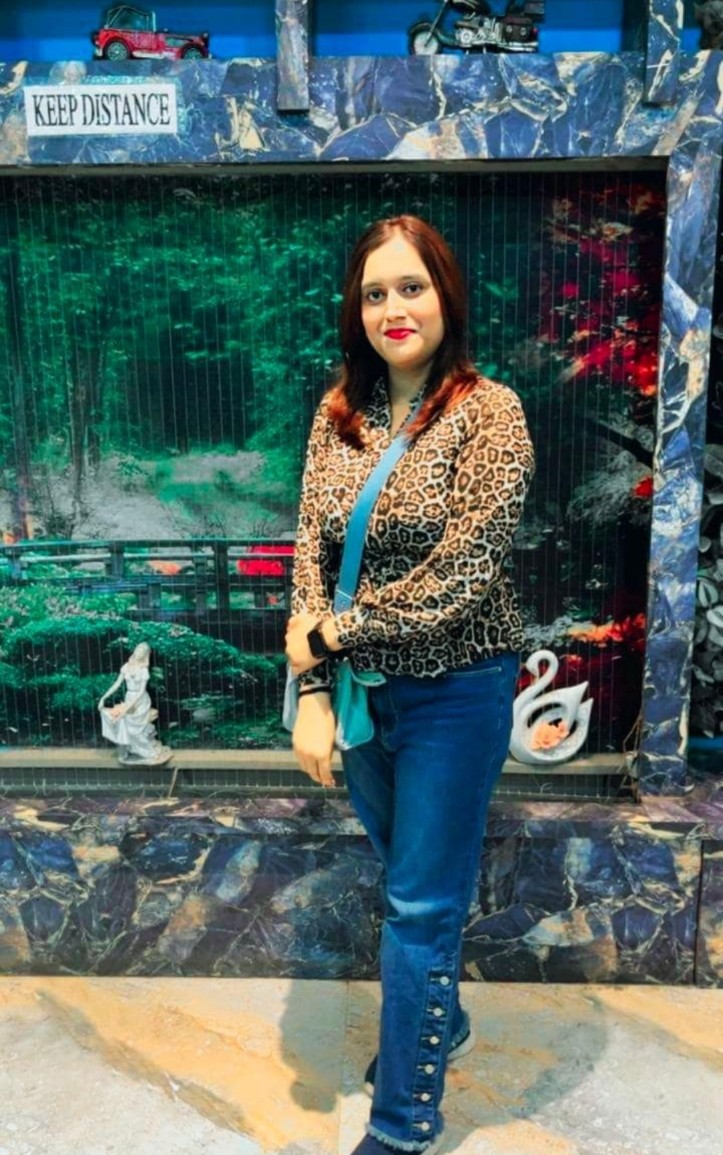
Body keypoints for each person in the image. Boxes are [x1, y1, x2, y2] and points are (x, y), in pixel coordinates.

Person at [285, 215, 534, 1155]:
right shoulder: (336, 414)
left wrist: (330, 634)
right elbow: (309, 552)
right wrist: (314, 689)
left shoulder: (489, 413)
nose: (394, 308)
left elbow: (462, 571)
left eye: (411, 286)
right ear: (356, 310)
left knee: (421, 906)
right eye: (375, 292)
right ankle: (444, 1019)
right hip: (362, 696)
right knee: (409, 885)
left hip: (456, 691)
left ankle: (401, 1126)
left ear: (445, 294)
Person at [98, 642, 171, 765]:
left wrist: (127, 709)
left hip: (140, 700)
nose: (139, 653)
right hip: (129, 697)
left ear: (145, 655)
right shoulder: (126, 667)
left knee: (135, 730)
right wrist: (103, 698)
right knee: (122, 724)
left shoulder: (143, 670)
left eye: (143, 652)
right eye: (138, 650)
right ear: (135, 650)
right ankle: (129, 750)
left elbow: (141, 691)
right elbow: (117, 684)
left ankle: (149, 753)